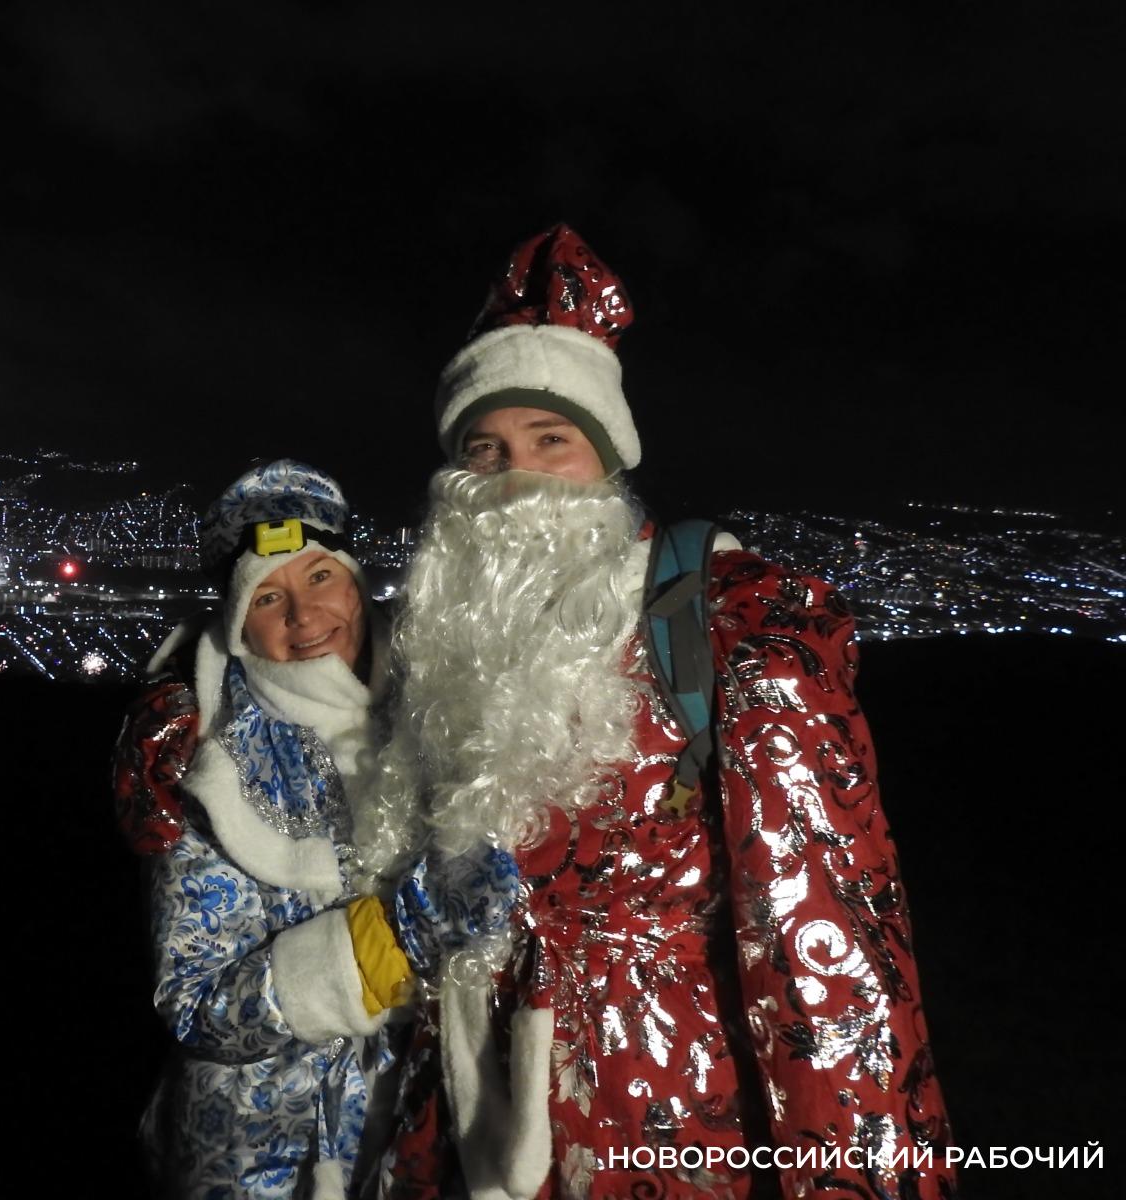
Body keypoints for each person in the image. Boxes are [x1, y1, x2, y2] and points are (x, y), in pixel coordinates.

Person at [358, 225, 956, 1200]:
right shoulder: (444, 646)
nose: (516, 477)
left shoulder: (727, 621)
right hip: (460, 1116)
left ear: (605, 455)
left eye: (550, 441)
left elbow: (829, 955)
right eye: (485, 448)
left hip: (658, 1122)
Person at [111, 460, 424, 1200]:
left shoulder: (436, 714)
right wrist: (371, 956)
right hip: (261, 1149)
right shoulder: (205, 763)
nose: (304, 617)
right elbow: (191, 998)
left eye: (321, 579)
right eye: (269, 597)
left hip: (412, 1131)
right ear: (238, 622)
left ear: (356, 582)